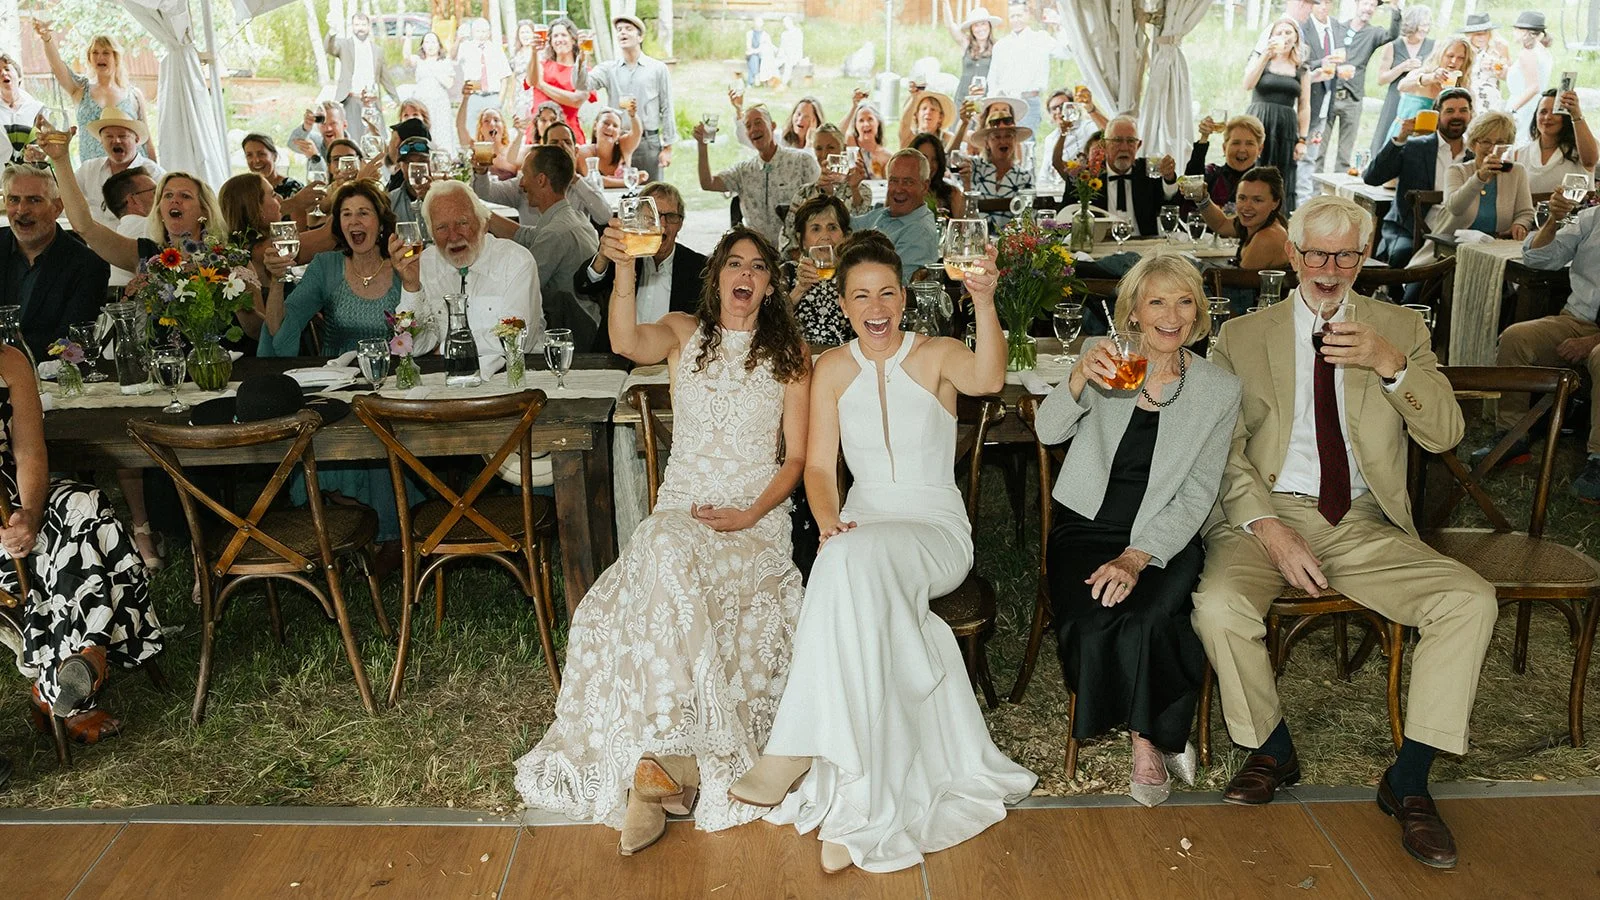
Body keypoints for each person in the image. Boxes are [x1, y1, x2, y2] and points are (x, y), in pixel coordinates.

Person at [1193, 195, 1496, 870]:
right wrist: (1268, 527)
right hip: (1265, 513)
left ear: (1365, 257)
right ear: (1293, 254)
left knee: (1469, 599)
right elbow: (1221, 448)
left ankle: (1409, 781)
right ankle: (1272, 746)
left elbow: (1446, 433)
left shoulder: (1400, 327)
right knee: (1218, 606)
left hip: (1360, 519)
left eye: (1346, 255)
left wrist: (1392, 366)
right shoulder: (1243, 337)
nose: (1330, 270)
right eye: (1316, 253)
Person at [730, 232, 1036, 874]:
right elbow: (817, 467)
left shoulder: (939, 354)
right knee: (844, 559)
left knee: (843, 564)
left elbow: (990, 376)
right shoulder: (831, 370)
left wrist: (983, 298)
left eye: (887, 293)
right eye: (861, 294)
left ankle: (797, 752)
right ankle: (859, 799)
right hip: (863, 525)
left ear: (905, 297)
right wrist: (830, 519)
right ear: (842, 303)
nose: (876, 307)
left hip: (933, 529)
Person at [516, 225, 810, 856]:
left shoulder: (790, 354)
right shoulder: (683, 332)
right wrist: (622, 267)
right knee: (658, 552)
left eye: (759, 267)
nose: (746, 276)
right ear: (718, 276)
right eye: (735, 263)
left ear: (769, 283)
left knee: (659, 560)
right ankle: (661, 764)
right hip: (682, 508)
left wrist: (749, 513)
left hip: (756, 518)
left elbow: (797, 462)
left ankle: (660, 778)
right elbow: (623, 339)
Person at [1035, 254, 1240, 807]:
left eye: (1183, 301)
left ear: (1198, 312)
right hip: (1086, 525)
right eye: (1157, 302)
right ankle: (1155, 726)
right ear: (1133, 312)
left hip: (1163, 535)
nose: (1171, 315)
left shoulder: (1218, 390)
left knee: (1151, 614)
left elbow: (1199, 491)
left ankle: (1147, 739)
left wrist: (1138, 556)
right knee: (1090, 620)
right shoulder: (1103, 360)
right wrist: (1078, 377)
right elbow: (1049, 429)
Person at [0, 341, 162, 744]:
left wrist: (32, 516)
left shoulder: (9, 362)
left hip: (17, 497)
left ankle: (78, 665)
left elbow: (29, 451)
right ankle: (75, 676)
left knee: (84, 504)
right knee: (81, 550)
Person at [258, 180, 419, 545]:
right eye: (345, 214)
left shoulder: (402, 262)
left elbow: (420, 329)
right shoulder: (326, 265)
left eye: (363, 212)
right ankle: (361, 516)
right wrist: (277, 282)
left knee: (381, 424)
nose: (353, 220)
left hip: (391, 382)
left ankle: (386, 530)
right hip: (337, 386)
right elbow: (281, 329)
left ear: (380, 221)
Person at [1472, 190, 1600, 502]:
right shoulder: (1591, 217)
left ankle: (1598, 460)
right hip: (1578, 319)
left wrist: (1593, 341)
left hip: (1595, 339)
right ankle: (1513, 436)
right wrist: (1553, 222)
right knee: (1517, 337)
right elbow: (1537, 258)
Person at [400, 179, 544, 366]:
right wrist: (411, 287)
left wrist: (445, 348)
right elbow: (416, 346)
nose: (453, 235)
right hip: (448, 381)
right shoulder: (424, 264)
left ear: (484, 223)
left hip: (516, 378)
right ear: (431, 235)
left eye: (462, 222)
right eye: (441, 227)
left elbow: (517, 340)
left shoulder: (516, 261)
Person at [485, 146, 600, 349]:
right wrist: (482, 214)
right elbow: (525, 235)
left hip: (574, 335)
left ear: (541, 180)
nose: (521, 183)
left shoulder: (555, 233)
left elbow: (522, 288)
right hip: (590, 321)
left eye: (524, 175)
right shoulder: (574, 217)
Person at [0, 163, 109, 361]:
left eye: (34, 200)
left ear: (57, 208)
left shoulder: (87, 265)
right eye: (14, 200)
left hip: (50, 378)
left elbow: (68, 341)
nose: (21, 210)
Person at [574, 182, 705, 339]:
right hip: (618, 357)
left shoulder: (699, 268)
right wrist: (602, 257)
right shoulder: (624, 256)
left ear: (680, 224)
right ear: (637, 220)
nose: (661, 225)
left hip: (671, 358)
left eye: (670, 217)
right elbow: (583, 285)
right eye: (652, 217)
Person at [1363, 87, 1473, 266]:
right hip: (1409, 229)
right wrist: (1401, 138)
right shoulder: (1414, 147)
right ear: (1437, 115)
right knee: (1402, 255)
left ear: (1471, 115)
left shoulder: (1475, 156)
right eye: (1450, 111)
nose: (1457, 116)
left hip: (1457, 232)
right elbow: (1372, 178)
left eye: (1463, 110)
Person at [1409, 112, 1532, 266]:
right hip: (1448, 255)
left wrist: (1520, 224)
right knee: (1421, 288)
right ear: (1474, 144)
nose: (1493, 149)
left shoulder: (1516, 172)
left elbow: (1525, 213)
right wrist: (1479, 177)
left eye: (1500, 143)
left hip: (1495, 254)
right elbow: (1454, 207)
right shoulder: (1457, 171)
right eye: (1486, 141)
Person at [695, 105, 820, 250]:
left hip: (796, 252)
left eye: (758, 122)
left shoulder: (802, 161)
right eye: (748, 126)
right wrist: (702, 145)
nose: (754, 129)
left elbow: (820, 207)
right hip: (758, 253)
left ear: (772, 126)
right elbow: (708, 183)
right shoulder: (743, 171)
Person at [33, 24, 155, 164]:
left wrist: (156, 175)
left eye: (105, 53)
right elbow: (57, 66)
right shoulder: (79, 88)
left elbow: (147, 141)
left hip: (132, 172)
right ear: (89, 58)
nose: (100, 57)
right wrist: (46, 38)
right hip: (92, 173)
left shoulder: (133, 94)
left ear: (115, 57)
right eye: (95, 53)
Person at [585, 14, 677, 181]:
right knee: (620, 195)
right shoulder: (609, 69)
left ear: (640, 36)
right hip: (617, 142)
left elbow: (667, 107)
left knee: (651, 193)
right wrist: (582, 54)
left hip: (648, 142)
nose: (622, 33)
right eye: (619, 30)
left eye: (628, 29)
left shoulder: (657, 68)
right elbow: (583, 84)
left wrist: (668, 147)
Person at [1243, 18, 1310, 214]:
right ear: (1270, 37)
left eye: (1288, 32)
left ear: (1296, 37)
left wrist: (1302, 139)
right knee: (1253, 171)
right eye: (1279, 33)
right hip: (1259, 122)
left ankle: (1277, 221)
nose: (1284, 37)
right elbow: (1247, 84)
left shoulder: (1302, 68)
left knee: (1280, 177)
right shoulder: (1260, 58)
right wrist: (1265, 56)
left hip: (1285, 128)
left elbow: (1305, 106)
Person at [1328, 0, 1400, 173]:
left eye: (1372, 6)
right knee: (1318, 150)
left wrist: (1395, 9)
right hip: (1329, 94)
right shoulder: (1337, 27)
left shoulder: (1373, 33)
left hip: (1353, 97)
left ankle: (1338, 196)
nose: (1368, 9)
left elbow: (1392, 35)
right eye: (1365, 3)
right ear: (1357, 4)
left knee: (1345, 153)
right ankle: (1314, 194)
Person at [850, 149, 941, 283]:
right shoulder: (885, 213)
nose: (898, 189)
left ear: (924, 186)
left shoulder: (919, 231)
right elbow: (845, 226)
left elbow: (892, 285)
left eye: (907, 182)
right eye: (893, 181)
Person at [780, 123, 872, 254]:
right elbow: (788, 236)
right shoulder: (804, 192)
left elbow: (861, 229)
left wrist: (854, 188)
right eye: (819, 148)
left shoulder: (861, 189)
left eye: (831, 147)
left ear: (843, 149)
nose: (824, 154)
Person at [73, 107, 164, 229]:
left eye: (123, 136)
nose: (116, 140)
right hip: (94, 245)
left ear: (136, 139)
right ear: (101, 140)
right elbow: (62, 195)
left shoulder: (154, 174)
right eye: (109, 136)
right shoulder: (88, 169)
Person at [1193, 166, 1292, 271]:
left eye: (1257, 200)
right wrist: (1202, 199)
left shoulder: (1268, 237)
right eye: (1242, 198)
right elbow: (1221, 224)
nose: (1247, 207)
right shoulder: (1259, 223)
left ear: (1275, 203)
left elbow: (1240, 282)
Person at [986, 0, 1065, 131]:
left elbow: (1064, 52)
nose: (1016, 20)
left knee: (1028, 143)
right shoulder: (1001, 45)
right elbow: (993, 78)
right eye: (1012, 16)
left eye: (1019, 15)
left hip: (1030, 101)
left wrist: (1058, 27)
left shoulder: (1041, 39)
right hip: (1007, 103)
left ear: (1027, 14)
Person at [1093, 117, 1178, 238]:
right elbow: (1063, 222)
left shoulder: (1149, 170)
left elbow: (1169, 202)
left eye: (1131, 141)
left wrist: (1169, 178)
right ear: (1104, 145)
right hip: (1100, 246)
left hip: (1144, 245)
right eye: (1117, 140)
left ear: (1138, 145)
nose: (1124, 148)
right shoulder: (1087, 176)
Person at [787, 194, 854, 346]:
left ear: (845, 236)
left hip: (845, 361)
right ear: (802, 240)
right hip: (799, 361)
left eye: (832, 228)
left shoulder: (854, 273)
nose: (825, 236)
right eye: (816, 229)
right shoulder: (788, 271)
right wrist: (800, 289)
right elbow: (769, 320)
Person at [1369, 5, 1435, 160]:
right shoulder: (1394, 45)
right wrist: (1402, 67)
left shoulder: (1433, 46)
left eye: (1428, 25)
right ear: (1412, 24)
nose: (1425, 29)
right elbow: (1381, 79)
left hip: (1418, 99)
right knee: (1387, 136)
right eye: (1422, 24)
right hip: (1395, 97)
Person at [1299, 0, 1348, 203]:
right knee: (1302, 155)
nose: (1324, 7)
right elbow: (1300, 63)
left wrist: (1341, 70)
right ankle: (1299, 201)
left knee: (1312, 154)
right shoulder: (1302, 27)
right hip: (1306, 100)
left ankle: (1308, 200)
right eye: (1320, 2)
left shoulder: (1336, 27)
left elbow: (1339, 58)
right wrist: (1323, 62)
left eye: (1329, 2)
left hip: (1325, 101)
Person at [1384, 37, 1474, 145]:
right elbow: (1402, 86)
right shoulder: (1422, 74)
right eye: (1450, 56)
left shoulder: (1462, 87)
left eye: (1461, 58)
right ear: (1440, 54)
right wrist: (1431, 78)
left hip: (1434, 145)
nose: (1454, 61)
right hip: (1404, 137)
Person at [325, 13, 398, 142]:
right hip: (352, 98)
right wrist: (332, 31)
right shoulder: (344, 45)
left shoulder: (377, 50)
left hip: (372, 101)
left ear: (369, 27)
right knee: (352, 139)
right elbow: (330, 48)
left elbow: (384, 77)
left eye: (363, 25)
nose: (360, 28)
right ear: (352, 26)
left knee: (377, 139)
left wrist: (395, 97)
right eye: (357, 25)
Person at [1513, 90, 1598, 196]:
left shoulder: (1580, 148)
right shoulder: (1519, 154)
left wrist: (1576, 114)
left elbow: (1590, 161)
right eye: (1543, 112)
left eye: (1555, 112)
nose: (1548, 117)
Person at [966, 107, 1034, 232]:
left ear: (1014, 141)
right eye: (996, 137)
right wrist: (964, 123)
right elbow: (946, 162)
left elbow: (1027, 218)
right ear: (987, 143)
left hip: (1009, 242)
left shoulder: (1024, 177)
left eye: (1008, 136)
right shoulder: (974, 167)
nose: (1003, 141)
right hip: (975, 238)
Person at [530, 18, 593, 144]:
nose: (559, 39)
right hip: (539, 134)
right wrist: (534, 52)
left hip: (568, 134)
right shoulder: (541, 65)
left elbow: (576, 100)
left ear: (573, 40)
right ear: (551, 42)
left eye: (564, 35)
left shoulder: (583, 71)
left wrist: (542, 85)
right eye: (555, 36)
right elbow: (532, 80)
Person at [1184, 114, 1265, 209]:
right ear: (1224, 148)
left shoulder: (1266, 183)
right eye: (1236, 143)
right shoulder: (1213, 174)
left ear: (1260, 149)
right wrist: (1204, 138)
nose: (1242, 149)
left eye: (1249, 143)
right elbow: (1192, 183)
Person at [454, 18, 512, 128]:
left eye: (484, 31)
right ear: (472, 32)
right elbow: (453, 63)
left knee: (493, 131)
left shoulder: (496, 49)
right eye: (478, 31)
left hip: (492, 96)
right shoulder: (465, 48)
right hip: (473, 96)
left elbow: (505, 76)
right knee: (471, 129)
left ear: (489, 33)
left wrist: (500, 100)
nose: (481, 35)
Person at [408, 32, 459, 154]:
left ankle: (444, 157)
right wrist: (408, 38)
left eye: (433, 42)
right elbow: (406, 57)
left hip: (439, 102)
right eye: (427, 42)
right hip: (422, 101)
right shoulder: (418, 60)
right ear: (423, 45)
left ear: (438, 45)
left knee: (441, 131)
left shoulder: (445, 62)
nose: (430, 46)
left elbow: (449, 83)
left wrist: (436, 72)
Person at [1506, 12, 1552, 139]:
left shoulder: (1528, 54)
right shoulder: (1542, 51)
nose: (1513, 32)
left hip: (1523, 105)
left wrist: (1512, 109)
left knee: (1518, 143)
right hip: (1535, 103)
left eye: (1516, 29)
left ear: (1525, 32)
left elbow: (1534, 86)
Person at [945, 5, 1000, 103]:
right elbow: (950, 25)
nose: (980, 29)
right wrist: (945, 3)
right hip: (963, 98)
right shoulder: (966, 44)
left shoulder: (997, 47)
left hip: (985, 100)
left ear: (989, 26)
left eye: (983, 24)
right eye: (976, 25)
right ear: (971, 29)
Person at [577, 107, 642, 188]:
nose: (610, 128)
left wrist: (633, 116)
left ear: (619, 132)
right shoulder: (584, 152)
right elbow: (595, 181)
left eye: (615, 126)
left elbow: (637, 133)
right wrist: (632, 180)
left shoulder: (624, 147)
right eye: (606, 123)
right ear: (595, 126)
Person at [457, 103, 521, 182]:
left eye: (496, 120)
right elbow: (460, 126)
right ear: (481, 129)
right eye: (486, 121)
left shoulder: (513, 151)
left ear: (503, 127)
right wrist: (466, 97)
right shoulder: (477, 149)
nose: (492, 124)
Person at [910, 131, 966, 218]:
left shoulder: (952, 193)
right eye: (924, 158)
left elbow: (964, 227)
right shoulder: (901, 193)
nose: (929, 164)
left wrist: (967, 184)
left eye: (934, 159)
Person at [1461, 14, 1509, 112]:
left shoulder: (1499, 48)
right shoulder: (1463, 50)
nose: (1481, 38)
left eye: (1485, 33)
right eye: (1477, 34)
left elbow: (1509, 76)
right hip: (1469, 97)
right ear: (1469, 35)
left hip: (1491, 99)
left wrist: (1498, 68)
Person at [0, 55, 42, 166]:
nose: (3, 73)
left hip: (32, 175)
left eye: (7, 69)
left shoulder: (38, 109)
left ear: (19, 76)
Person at [386, 136, 433, 231]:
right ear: (400, 166)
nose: (416, 168)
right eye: (409, 162)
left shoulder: (447, 197)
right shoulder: (390, 201)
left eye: (422, 161)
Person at [242, 134, 305, 201]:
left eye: (261, 154)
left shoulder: (294, 187)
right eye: (249, 155)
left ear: (274, 156)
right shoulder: (243, 190)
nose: (256, 160)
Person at [842, 98, 891, 180]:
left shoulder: (886, 156)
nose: (866, 124)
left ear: (878, 122)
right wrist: (854, 107)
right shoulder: (850, 143)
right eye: (861, 120)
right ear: (855, 125)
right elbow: (837, 134)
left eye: (870, 119)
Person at [507, 21, 538, 136]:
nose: (525, 35)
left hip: (535, 93)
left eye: (528, 32)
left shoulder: (540, 53)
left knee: (535, 125)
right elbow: (513, 79)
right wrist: (510, 99)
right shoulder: (516, 55)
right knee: (520, 126)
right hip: (520, 96)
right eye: (522, 32)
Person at [777, 15, 805, 86]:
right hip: (784, 55)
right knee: (774, 63)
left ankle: (783, 83)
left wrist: (798, 58)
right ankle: (776, 81)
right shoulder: (784, 34)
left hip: (794, 56)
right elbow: (782, 47)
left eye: (787, 21)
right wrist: (779, 56)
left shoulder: (797, 32)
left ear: (791, 22)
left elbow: (799, 47)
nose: (785, 24)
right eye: (784, 22)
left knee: (788, 64)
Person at [744, 17, 767, 85]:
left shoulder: (764, 34)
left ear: (762, 23)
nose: (758, 24)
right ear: (754, 23)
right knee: (754, 58)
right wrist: (753, 51)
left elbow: (762, 48)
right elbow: (748, 46)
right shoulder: (749, 33)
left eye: (760, 22)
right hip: (750, 55)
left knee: (755, 58)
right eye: (757, 22)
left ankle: (750, 82)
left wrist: (754, 51)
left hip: (761, 55)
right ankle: (756, 75)